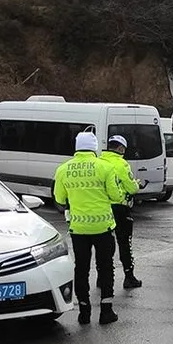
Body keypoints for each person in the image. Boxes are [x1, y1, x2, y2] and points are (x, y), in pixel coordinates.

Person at [53, 131, 125, 325]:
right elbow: (116, 196)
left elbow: (59, 199)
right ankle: (106, 311)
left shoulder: (63, 170)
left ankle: (84, 312)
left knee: (82, 268)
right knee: (106, 267)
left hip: (79, 229)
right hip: (103, 227)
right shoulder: (105, 167)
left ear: (76, 147)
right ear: (94, 148)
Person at [101, 135, 142, 289]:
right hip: (120, 208)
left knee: (105, 244)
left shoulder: (100, 162)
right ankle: (129, 277)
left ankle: (102, 277)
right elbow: (131, 187)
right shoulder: (122, 164)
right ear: (120, 148)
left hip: (103, 208)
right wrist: (136, 185)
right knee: (124, 243)